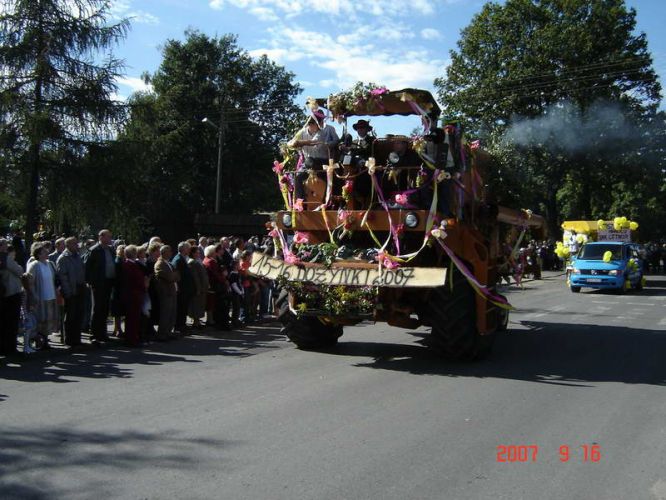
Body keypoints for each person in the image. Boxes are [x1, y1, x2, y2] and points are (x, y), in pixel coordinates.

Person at [288, 110, 340, 200]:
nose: (320, 124)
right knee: (298, 176)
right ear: (310, 124)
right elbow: (290, 144)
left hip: (323, 162)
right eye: (318, 122)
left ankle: (329, 201)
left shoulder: (322, 133)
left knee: (332, 179)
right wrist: (301, 142)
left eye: (320, 121)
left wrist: (300, 143)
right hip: (308, 163)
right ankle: (300, 202)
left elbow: (314, 142)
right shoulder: (302, 132)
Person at [84, 229, 116, 344]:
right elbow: (87, 267)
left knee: (105, 309)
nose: (110, 239)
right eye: (108, 237)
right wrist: (89, 281)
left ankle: (103, 333)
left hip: (108, 282)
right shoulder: (94, 250)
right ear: (101, 237)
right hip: (98, 284)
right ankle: (94, 334)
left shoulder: (111, 249)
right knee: (97, 308)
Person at [26, 243, 59, 349]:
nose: (47, 253)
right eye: (44, 252)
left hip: (50, 295)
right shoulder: (34, 265)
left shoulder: (50, 264)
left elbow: (54, 279)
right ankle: (38, 341)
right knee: (41, 319)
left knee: (49, 319)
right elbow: (30, 282)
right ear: (39, 254)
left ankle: (45, 340)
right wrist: (33, 295)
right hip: (40, 297)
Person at [56, 237, 86, 347]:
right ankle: (69, 339)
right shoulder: (63, 258)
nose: (77, 246)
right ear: (68, 245)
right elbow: (62, 277)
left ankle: (77, 338)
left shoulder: (77, 256)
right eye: (74, 244)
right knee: (71, 316)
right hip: (71, 290)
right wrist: (68, 292)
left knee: (79, 314)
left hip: (80, 288)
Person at [0, 239, 24, 356]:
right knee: (11, 322)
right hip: (11, 292)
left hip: (3, 293)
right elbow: (19, 270)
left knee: (3, 322)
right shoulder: (5, 258)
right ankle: (10, 347)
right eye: (5, 245)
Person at [121, 245, 146, 347]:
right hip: (132, 294)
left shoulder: (133, 264)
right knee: (132, 318)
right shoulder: (128, 265)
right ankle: (131, 339)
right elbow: (132, 280)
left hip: (135, 294)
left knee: (135, 318)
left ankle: (133, 337)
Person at [154, 245, 178, 340]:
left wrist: (174, 276)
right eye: (169, 251)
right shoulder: (160, 264)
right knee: (165, 314)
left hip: (173, 291)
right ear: (163, 253)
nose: (171, 253)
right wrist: (173, 276)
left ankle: (168, 332)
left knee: (172, 313)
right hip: (166, 292)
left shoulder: (169, 263)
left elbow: (177, 275)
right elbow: (169, 277)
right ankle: (162, 334)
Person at [172, 241, 194, 334]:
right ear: (182, 249)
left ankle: (182, 325)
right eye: (187, 248)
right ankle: (179, 326)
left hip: (186, 289)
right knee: (181, 309)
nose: (189, 250)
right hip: (182, 289)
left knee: (184, 308)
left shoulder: (184, 258)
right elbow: (177, 276)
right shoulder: (178, 259)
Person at [188, 246, 209, 329]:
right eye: (197, 252)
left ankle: (198, 322)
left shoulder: (198, 261)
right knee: (196, 305)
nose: (198, 253)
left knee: (200, 305)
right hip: (198, 288)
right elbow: (195, 277)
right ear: (192, 253)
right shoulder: (192, 262)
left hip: (203, 287)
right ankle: (195, 323)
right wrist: (198, 288)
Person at [110, 244, 126, 337]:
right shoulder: (118, 261)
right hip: (117, 288)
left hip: (120, 288)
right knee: (117, 311)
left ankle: (118, 329)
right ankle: (117, 329)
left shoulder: (122, 261)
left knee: (119, 310)